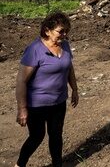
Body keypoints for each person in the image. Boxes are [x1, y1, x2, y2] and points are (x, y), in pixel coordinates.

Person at [15, 11, 79, 167]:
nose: (64, 35)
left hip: (58, 102)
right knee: (37, 136)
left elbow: (69, 68)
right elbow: (21, 81)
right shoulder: (34, 49)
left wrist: (75, 90)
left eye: (66, 31)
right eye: (60, 31)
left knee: (56, 136)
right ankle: (19, 165)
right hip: (37, 104)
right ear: (47, 30)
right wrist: (22, 109)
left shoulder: (64, 45)